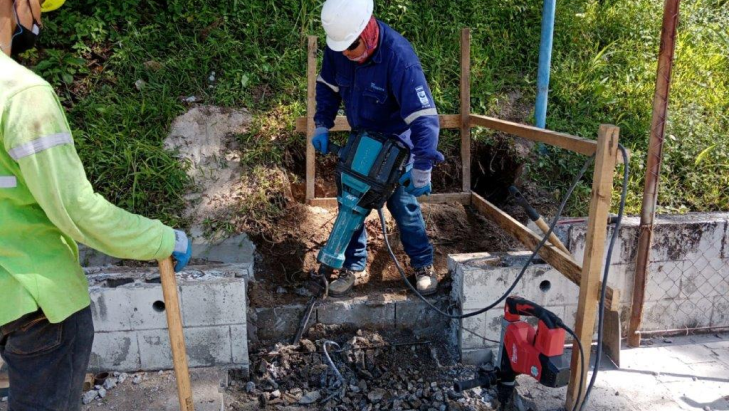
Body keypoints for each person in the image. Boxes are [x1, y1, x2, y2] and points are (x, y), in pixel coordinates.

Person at [0, 1, 192, 410]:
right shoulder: (21, 95)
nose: (39, 17)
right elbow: (77, 211)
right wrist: (161, 239)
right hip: (39, 306)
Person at [312, 0, 444, 297]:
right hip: (362, 142)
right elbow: (327, 87)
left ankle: (423, 265)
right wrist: (322, 123)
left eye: (351, 46)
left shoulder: (399, 58)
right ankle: (351, 266)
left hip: (396, 146)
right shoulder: (340, 49)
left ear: (368, 30)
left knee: (405, 209)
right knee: (352, 205)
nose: (345, 53)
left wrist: (422, 166)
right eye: (341, 47)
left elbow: (424, 118)